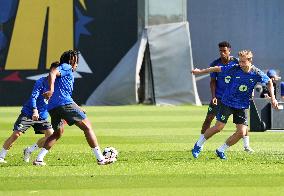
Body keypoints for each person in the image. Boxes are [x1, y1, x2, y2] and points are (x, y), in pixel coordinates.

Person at [191, 50, 278, 159]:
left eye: (243, 62)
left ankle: (221, 149)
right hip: (227, 102)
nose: (240, 64)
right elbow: (217, 68)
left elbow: (269, 82)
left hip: (242, 105)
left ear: (250, 61)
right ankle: (198, 145)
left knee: (241, 132)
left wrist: (273, 98)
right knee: (219, 127)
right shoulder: (235, 68)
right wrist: (200, 72)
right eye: (240, 61)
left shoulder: (256, 73)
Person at [33, 50, 113, 166]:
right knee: (87, 127)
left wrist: (76, 107)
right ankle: (101, 159)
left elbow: (63, 92)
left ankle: (39, 159)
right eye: (76, 61)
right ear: (72, 60)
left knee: (57, 133)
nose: (77, 64)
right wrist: (51, 89)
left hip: (53, 107)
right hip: (64, 104)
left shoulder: (64, 72)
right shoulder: (66, 66)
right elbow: (52, 72)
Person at [199, 41, 254, 153]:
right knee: (209, 118)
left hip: (235, 98)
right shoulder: (215, 63)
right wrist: (213, 96)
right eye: (220, 51)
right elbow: (213, 81)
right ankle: (200, 144)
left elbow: (248, 74)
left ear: (229, 51)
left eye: (224, 51)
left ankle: (246, 146)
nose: (222, 53)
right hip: (219, 97)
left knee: (243, 123)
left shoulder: (237, 62)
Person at [0, 62, 59, 164]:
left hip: (42, 115)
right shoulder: (41, 82)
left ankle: (29, 150)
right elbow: (33, 97)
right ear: (51, 71)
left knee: (51, 136)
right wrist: (34, 110)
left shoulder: (58, 84)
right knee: (16, 134)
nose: (57, 73)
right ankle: (1, 156)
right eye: (55, 70)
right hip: (29, 112)